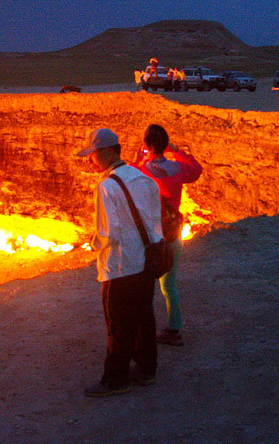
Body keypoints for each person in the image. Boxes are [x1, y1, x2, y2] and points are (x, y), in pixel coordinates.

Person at [76, 128, 162, 396]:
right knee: (144, 316)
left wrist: (92, 244)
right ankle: (147, 370)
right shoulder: (144, 179)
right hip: (146, 260)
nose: (90, 160)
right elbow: (154, 220)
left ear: (105, 152)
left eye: (92, 154)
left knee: (118, 324)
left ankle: (116, 380)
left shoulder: (107, 187)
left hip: (120, 265)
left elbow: (107, 234)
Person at [133, 124, 202, 347]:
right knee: (169, 286)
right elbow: (196, 169)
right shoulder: (177, 168)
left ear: (146, 145)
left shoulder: (141, 170)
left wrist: (138, 156)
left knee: (145, 287)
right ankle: (174, 330)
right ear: (165, 144)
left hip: (149, 239)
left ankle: (145, 332)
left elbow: (130, 177)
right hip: (172, 235)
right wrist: (176, 151)